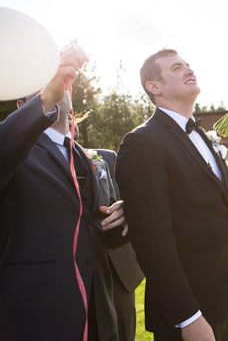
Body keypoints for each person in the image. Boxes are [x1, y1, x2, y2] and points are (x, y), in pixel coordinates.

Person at [115, 48, 228, 341]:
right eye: (177, 68)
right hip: (192, 311)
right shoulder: (142, 143)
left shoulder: (204, 135)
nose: (189, 70)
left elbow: (225, 208)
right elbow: (152, 242)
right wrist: (188, 317)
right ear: (154, 87)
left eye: (189, 65)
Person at [0, 46, 128, 340]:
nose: (58, 88)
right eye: (44, 86)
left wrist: (126, 218)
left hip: (99, 315)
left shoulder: (85, 156)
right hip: (39, 321)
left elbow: (98, 234)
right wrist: (47, 98)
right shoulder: (15, 153)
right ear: (23, 107)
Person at [74, 118, 146, 341]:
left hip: (117, 271)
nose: (68, 121)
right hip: (73, 272)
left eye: (70, 117)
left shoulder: (106, 158)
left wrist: (128, 209)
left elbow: (132, 199)